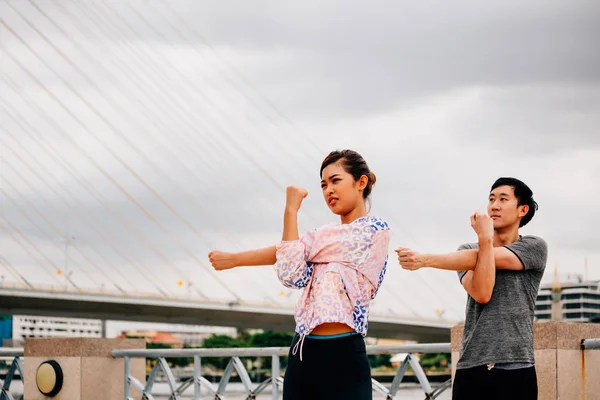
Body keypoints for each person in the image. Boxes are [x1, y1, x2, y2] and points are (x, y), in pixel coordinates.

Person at [208, 149, 391, 400]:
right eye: (323, 185)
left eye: (336, 180)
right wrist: (237, 259)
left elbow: (294, 250)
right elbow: (291, 272)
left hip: (344, 353)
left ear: (361, 182)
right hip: (303, 351)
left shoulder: (375, 231)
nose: (328, 190)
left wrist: (291, 212)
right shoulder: (320, 241)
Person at [397, 177, 547, 400]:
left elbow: (488, 258)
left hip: (517, 366)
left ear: (522, 209)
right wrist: (485, 240)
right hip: (472, 367)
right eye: (491, 199)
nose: (494, 205)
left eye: (503, 199)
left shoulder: (534, 247)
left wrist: (424, 260)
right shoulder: (465, 251)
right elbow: (482, 293)